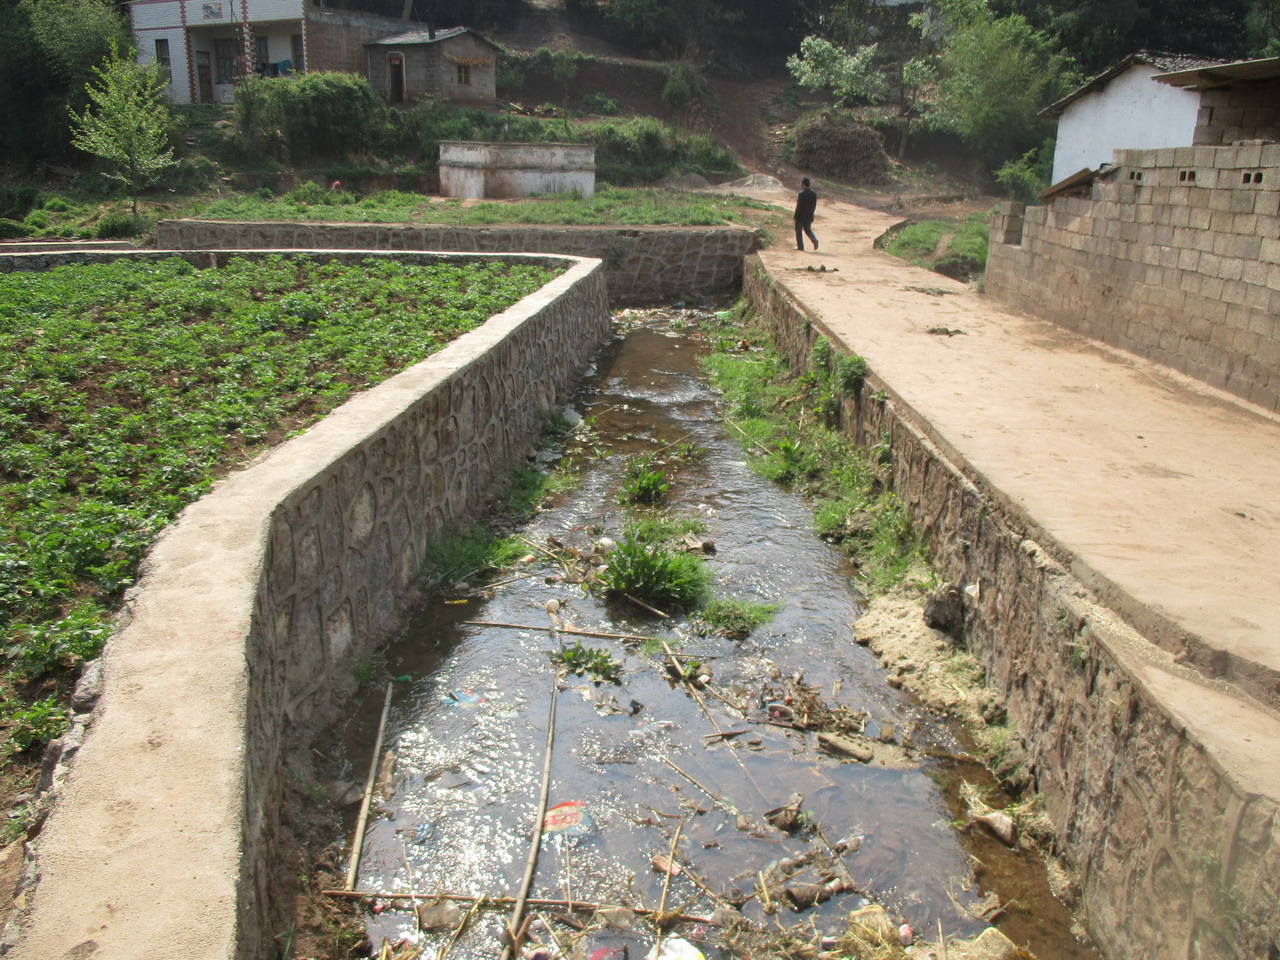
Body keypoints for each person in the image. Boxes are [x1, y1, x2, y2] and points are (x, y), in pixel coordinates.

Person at [794, 177, 818, 251]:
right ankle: (814, 239)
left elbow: (799, 206)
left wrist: (795, 216)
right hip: (809, 216)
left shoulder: (801, 194)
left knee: (798, 230)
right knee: (808, 229)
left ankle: (800, 247)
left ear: (803, 184)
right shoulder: (814, 194)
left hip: (801, 216)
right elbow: (814, 206)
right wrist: (811, 214)